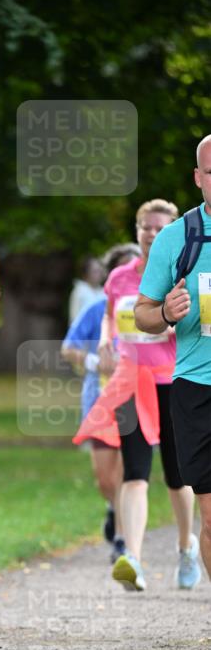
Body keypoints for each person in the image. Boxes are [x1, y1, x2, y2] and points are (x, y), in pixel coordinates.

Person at [74, 200, 201, 592]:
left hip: (173, 381)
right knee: (135, 471)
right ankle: (133, 558)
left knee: (178, 477)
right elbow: (111, 318)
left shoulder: (182, 270)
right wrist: (105, 343)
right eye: (145, 226)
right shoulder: (119, 279)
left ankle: (186, 547)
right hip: (131, 381)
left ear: (171, 232)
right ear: (137, 229)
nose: (151, 233)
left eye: (159, 227)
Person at [135, 134, 211, 580]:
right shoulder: (177, 238)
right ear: (199, 177)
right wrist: (165, 311)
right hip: (197, 388)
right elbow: (143, 313)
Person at [61, 243, 139, 562]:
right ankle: (112, 506)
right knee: (105, 478)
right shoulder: (98, 309)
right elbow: (69, 348)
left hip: (137, 401)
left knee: (127, 470)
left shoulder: (152, 307)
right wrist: (95, 362)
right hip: (99, 399)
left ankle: (122, 539)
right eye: (124, 269)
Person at [67, 256, 105, 324]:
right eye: (95, 271)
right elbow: (74, 319)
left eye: (100, 271)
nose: (99, 274)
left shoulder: (103, 292)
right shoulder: (79, 291)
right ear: (86, 274)